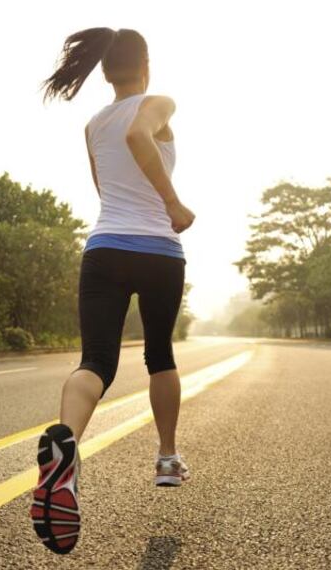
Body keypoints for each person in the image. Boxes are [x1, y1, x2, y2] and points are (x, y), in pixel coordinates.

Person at [30, 27, 196, 555]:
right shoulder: (158, 102)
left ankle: (66, 450)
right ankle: (167, 458)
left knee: (96, 361)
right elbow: (138, 137)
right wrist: (171, 202)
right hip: (159, 249)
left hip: (104, 247)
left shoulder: (92, 124)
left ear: (105, 73)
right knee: (159, 353)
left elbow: (104, 189)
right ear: (146, 66)